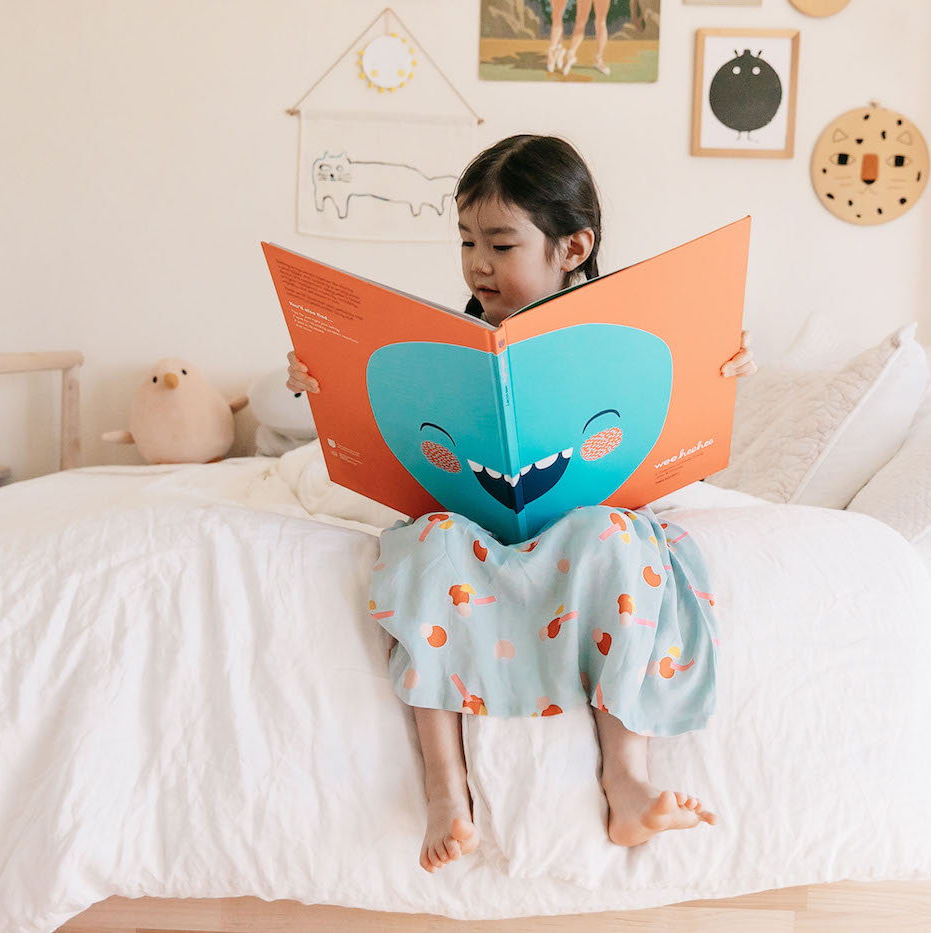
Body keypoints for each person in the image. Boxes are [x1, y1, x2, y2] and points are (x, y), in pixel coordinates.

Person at [286, 135, 756, 873]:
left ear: (573, 247)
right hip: (475, 522)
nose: (477, 262)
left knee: (619, 543)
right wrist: (321, 381)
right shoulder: (454, 341)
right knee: (425, 549)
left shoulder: (620, 331)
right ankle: (447, 786)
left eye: (501, 244)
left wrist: (719, 370)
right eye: (467, 240)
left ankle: (625, 778)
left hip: (582, 520)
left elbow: (659, 422)